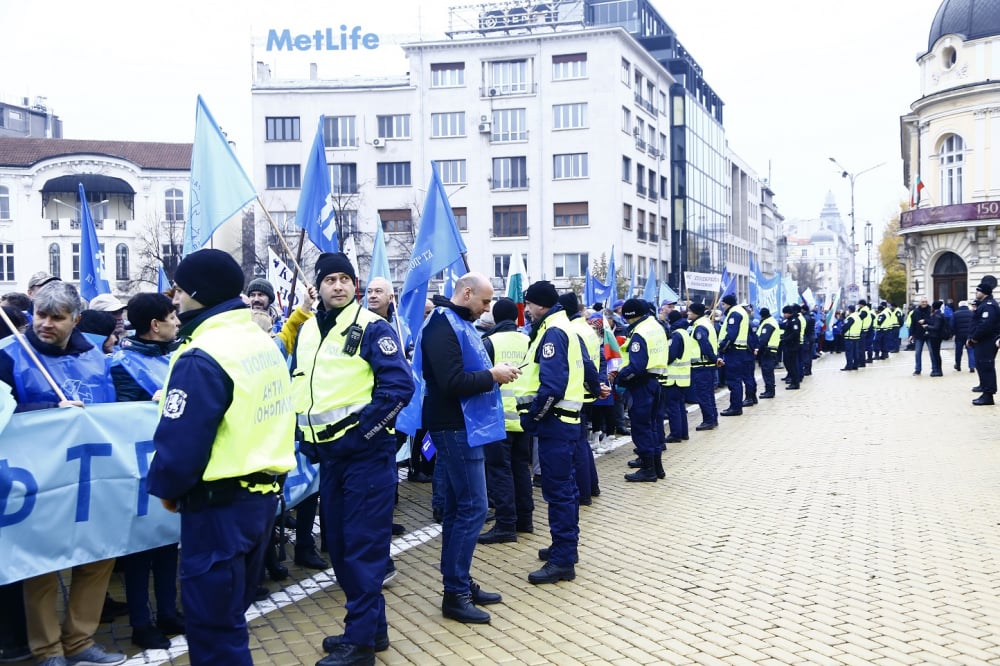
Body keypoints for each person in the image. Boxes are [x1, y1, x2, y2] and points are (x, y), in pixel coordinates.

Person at [146, 249, 297, 666]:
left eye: (178, 286)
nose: (172, 295)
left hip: (218, 511)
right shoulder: (257, 341)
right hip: (261, 502)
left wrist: (168, 488)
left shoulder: (204, 352)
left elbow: (183, 442)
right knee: (229, 619)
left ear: (197, 292)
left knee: (213, 631)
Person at [291, 252, 414, 664]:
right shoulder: (308, 330)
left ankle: (359, 643)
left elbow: (399, 389)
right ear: (319, 286)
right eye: (330, 280)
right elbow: (303, 388)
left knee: (361, 548)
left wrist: (362, 434)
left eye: (345, 279)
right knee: (341, 547)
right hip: (330, 456)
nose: (338, 286)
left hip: (365, 456)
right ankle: (372, 630)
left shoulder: (370, 327)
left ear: (355, 285)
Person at [0, 280, 124, 666]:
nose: (46, 324)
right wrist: (46, 409)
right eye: (40, 315)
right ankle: (47, 648)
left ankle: (80, 641)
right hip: (39, 479)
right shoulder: (8, 355)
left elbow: (113, 409)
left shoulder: (95, 357)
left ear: (76, 320)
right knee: (43, 563)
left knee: (98, 557)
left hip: (91, 476)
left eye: (57, 317)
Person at [417, 272, 514, 624]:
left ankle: (458, 583)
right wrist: (493, 375)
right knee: (473, 507)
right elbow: (452, 381)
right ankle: (455, 592)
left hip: (464, 425)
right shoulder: (442, 325)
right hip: (454, 426)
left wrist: (493, 372)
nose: (487, 309)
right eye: (485, 302)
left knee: (461, 509)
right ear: (467, 293)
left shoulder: (456, 322)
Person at [110, 292, 185, 650]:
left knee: (168, 538)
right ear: (155, 325)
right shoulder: (121, 364)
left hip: (169, 462)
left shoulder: (176, 355)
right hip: (137, 468)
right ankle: (142, 622)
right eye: (173, 317)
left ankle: (168, 611)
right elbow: (125, 416)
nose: (178, 323)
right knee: (140, 547)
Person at [516, 281, 602, 584]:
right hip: (566, 421)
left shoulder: (553, 332)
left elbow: (552, 386)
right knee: (565, 490)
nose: (526, 311)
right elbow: (588, 368)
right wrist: (596, 388)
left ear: (539, 305)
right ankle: (564, 548)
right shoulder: (566, 328)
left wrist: (534, 418)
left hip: (554, 422)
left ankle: (563, 559)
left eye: (528, 304)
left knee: (559, 493)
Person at [479, 298, 533, 543]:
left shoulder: (488, 342)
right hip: (524, 415)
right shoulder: (529, 340)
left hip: (498, 417)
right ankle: (525, 520)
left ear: (495, 317)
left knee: (499, 472)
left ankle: (505, 525)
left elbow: (481, 378)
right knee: (521, 468)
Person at [557, 291, 603, 501]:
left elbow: (585, 364)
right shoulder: (586, 327)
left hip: (577, 392)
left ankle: (584, 492)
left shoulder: (572, 330)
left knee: (578, 446)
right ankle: (591, 486)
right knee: (582, 442)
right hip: (586, 391)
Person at [617, 298, 668, 482]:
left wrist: (620, 377)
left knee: (641, 427)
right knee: (653, 426)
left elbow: (637, 366)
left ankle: (648, 469)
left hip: (641, 384)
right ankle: (657, 467)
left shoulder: (640, 333)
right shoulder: (655, 326)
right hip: (656, 381)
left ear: (630, 316)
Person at [717, 294, 754, 414]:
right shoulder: (740, 311)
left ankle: (735, 407)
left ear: (727, 304)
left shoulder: (734, 313)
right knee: (736, 379)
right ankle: (736, 406)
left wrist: (723, 347)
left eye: (723, 304)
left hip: (734, 351)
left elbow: (731, 334)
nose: (722, 307)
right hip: (739, 350)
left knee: (733, 380)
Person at [686, 302, 719, 430]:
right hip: (707, 365)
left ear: (696, 313)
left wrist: (713, 359)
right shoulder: (706, 323)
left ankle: (708, 420)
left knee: (703, 395)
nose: (688, 313)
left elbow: (705, 345)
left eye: (690, 311)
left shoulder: (699, 326)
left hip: (702, 365)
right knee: (709, 394)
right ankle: (713, 418)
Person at [970, 277, 1000, 405]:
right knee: (982, 366)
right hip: (983, 341)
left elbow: (985, 325)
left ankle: (988, 395)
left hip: (986, 341)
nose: (976, 293)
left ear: (984, 293)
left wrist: (974, 338)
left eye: (978, 291)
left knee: (986, 366)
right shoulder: (984, 305)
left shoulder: (989, 306)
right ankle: (985, 391)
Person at [755, 307, 781, 398]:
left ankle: (770, 391)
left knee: (767, 372)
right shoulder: (771, 321)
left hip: (768, 351)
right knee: (767, 371)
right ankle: (768, 390)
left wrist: (757, 348)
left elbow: (763, 339)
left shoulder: (768, 323)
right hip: (770, 350)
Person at [909, 296, 933, 375]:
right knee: (918, 353)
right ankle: (917, 369)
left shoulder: (931, 310)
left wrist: (925, 321)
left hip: (930, 334)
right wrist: (911, 334)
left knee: (932, 352)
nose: (924, 303)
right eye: (923, 302)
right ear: (920, 302)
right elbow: (912, 324)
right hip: (918, 335)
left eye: (925, 302)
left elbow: (934, 321)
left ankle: (934, 368)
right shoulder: (915, 311)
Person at [780, 305, 801, 389]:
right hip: (788, 345)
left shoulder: (795, 321)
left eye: (785, 313)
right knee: (788, 363)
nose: (784, 315)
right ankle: (793, 380)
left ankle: (795, 382)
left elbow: (795, 333)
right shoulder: (789, 320)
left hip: (793, 346)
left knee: (792, 365)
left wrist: (785, 339)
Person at [922, 300, 946, 376]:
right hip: (936, 336)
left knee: (936, 354)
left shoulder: (937, 315)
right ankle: (938, 370)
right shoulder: (938, 314)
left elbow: (936, 327)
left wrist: (927, 327)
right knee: (936, 354)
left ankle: (938, 371)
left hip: (935, 336)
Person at [953, 300, 976, 372]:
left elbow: (952, 325)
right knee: (971, 350)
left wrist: (954, 333)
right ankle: (972, 366)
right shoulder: (972, 313)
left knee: (958, 351)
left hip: (959, 335)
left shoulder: (955, 314)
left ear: (959, 306)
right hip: (969, 335)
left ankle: (958, 365)